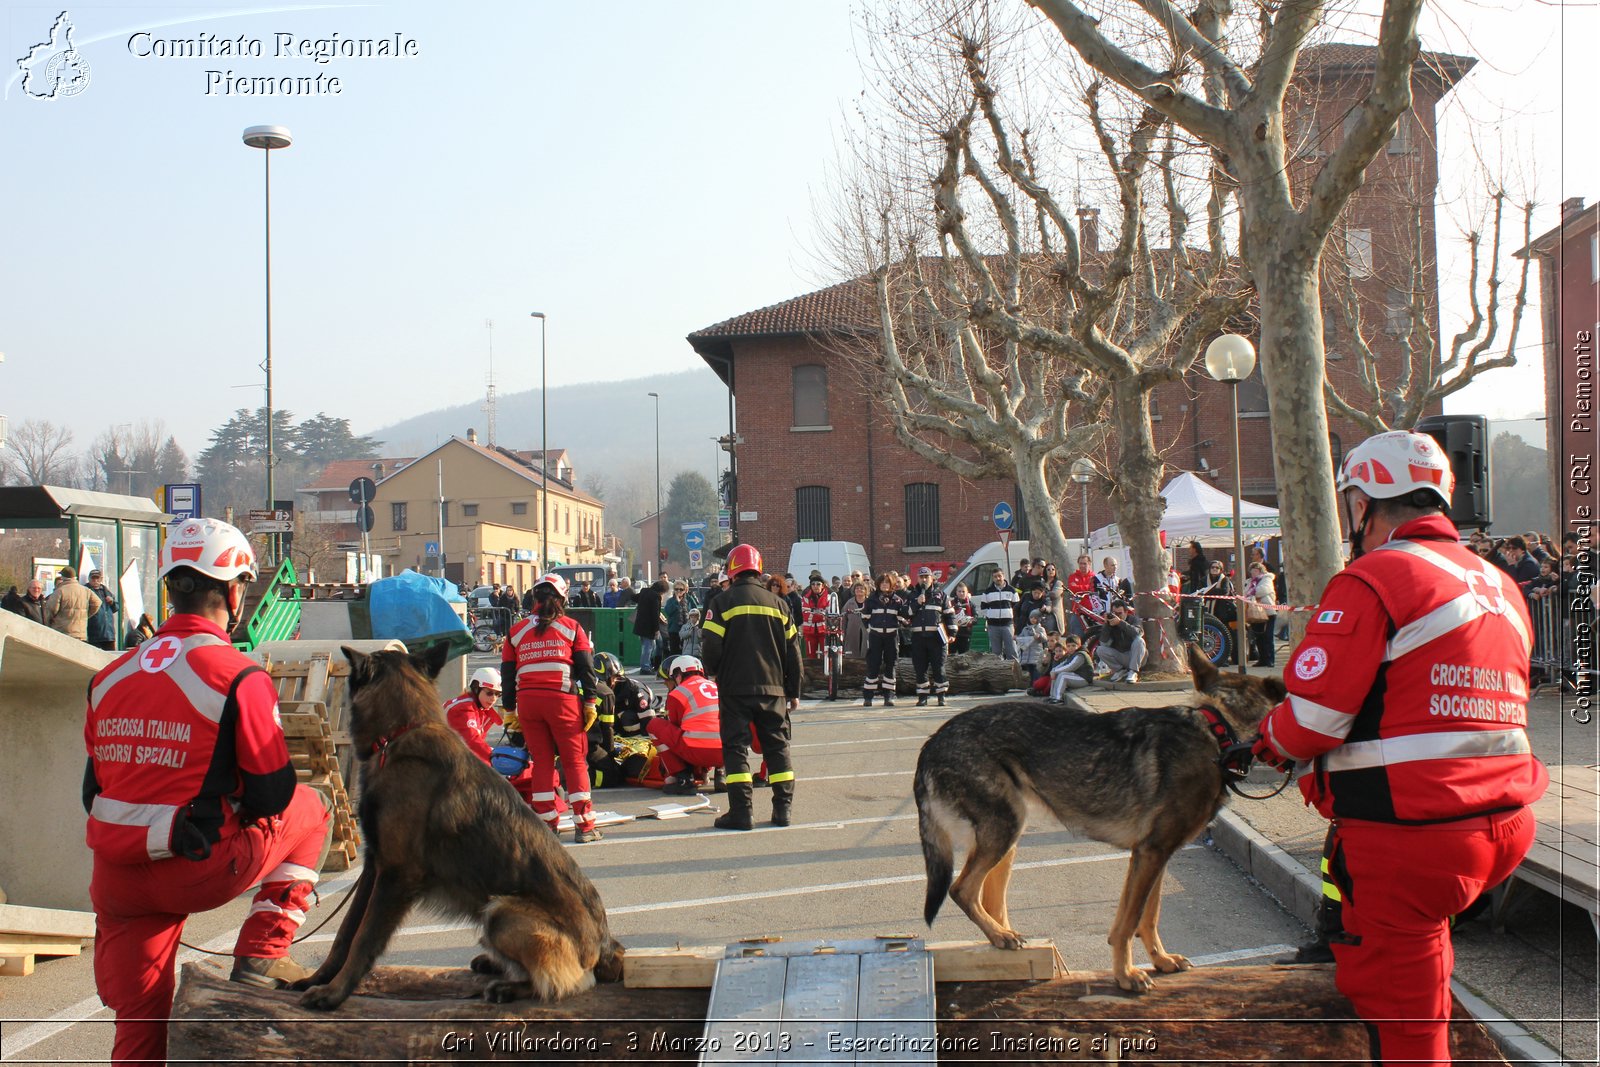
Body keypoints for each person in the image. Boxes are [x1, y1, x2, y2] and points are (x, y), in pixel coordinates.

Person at [1251, 430, 1548, 1067]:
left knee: (1404, 1027)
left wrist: (1264, 740)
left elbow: (1313, 720)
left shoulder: (1377, 576)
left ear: (1363, 505)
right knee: (1423, 969)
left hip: (1412, 838)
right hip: (1502, 821)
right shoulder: (1500, 584)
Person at [83, 517, 331, 1065]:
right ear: (234, 589)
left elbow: (92, 791)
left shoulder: (110, 676)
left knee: (140, 1029)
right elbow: (272, 795)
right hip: (197, 865)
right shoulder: (238, 675)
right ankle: (263, 954)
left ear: (171, 587)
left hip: (118, 878)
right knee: (312, 808)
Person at [701, 543, 804, 830]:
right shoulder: (780, 604)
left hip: (735, 688)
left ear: (732, 571)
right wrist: (794, 690)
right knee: (777, 746)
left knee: (736, 749)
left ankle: (742, 813)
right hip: (774, 689)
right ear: (758, 569)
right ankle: (783, 811)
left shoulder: (721, 603)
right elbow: (794, 652)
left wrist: (714, 672)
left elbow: (710, 645)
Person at [501, 573, 605, 843]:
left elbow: (508, 675)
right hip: (562, 701)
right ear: (562, 598)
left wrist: (509, 710)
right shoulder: (572, 627)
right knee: (573, 761)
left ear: (534, 598)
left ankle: (547, 825)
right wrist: (591, 702)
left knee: (542, 764)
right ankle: (585, 826)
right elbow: (586, 668)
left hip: (528, 703)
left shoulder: (515, 631)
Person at [650, 656, 725, 796]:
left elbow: (674, 729)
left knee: (654, 725)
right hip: (728, 752)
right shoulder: (717, 687)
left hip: (697, 751)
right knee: (719, 727)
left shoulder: (678, 693)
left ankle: (683, 778)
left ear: (678, 674)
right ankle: (722, 773)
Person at [907, 566, 955, 707]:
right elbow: (906, 613)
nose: (924, 579)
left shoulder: (940, 595)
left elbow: (949, 614)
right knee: (920, 668)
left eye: (926, 576)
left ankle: (941, 696)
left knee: (938, 667)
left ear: (931, 578)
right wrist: (917, 602)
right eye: (921, 577)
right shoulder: (912, 595)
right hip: (918, 637)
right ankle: (923, 696)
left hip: (936, 638)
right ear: (918, 578)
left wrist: (952, 633)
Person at [861, 573, 907, 706]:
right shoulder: (871, 600)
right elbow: (864, 617)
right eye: (882, 583)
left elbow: (902, 617)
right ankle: (868, 697)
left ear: (892, 585)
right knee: (873, 665)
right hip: (876, 636)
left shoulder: (897, 600)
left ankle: (889, 696)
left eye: (887, 582)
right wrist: (870, 631)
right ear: (878, 585)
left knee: (890, 665)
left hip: (891, 637)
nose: (885, 585)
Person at [443, 667, 505, 765]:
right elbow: (472, 741)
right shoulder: (463, 709)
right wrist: (496, 757)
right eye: (489, 693)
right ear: (476, 689)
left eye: (498, 694)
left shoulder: (478, 708)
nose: (494, 698)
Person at [46, 565, 102, 642]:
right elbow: (97, 603)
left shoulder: (60, 591)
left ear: (63, 577)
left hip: (62, 631)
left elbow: (51, 609)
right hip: (81, 633)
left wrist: (50, 621)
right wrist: (85, 615)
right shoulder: (85, 590)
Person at [1094, 600, 1146, 683]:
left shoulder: (1134, 619)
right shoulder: (1110, 624)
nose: (1116, 616)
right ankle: (1120, 671)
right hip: (1121, 656)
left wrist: (1120, 623)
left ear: (1126, 612)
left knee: (1139, 641)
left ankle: (1133, 672)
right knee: (1100, 649)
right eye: (1114, 613)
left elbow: (1138, 633)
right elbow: (1104, 642)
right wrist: (1107, 625)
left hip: (1136, 656)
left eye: (1119, 613)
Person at [978, 570, 1019, 661]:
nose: (998, 578)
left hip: (1008, 625)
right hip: (993, 626)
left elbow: (1017, 608)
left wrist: (1014, 621)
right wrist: (990, 616)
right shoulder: (987, 592)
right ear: (993, 578)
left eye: (999, 576)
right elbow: (983, 608)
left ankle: (1014, 671)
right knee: (995, 653)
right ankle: (997, 672)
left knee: (1012, 650)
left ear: (1003, 576)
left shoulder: (1012, 590)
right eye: (995, 577)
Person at [1243, 561, 1277, 667]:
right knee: (1258, 637)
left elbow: (1262, 590)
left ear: (1260, 570)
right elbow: (1244, 593)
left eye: (1256, 571)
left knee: (1268, 636)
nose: (1253, 573)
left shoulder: (1267, 579)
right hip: (1254, 613)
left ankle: (1270, 659)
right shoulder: (1249, 582)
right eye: (1252, 571)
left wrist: (1251, 593)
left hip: (1268, 612)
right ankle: (1262, 659)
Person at [633, 578, 667, 674]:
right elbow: (655, 614)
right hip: (650, 627)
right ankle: (645, 667)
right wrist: (656, 629)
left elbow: (634, 597)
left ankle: (650, 665)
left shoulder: (644, 591)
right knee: (649, 647)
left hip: (640, 624)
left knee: (650, 645)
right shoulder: (656, 597)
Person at [1048, 632, 1095, 700]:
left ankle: (1058, 698)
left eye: (1073, 645)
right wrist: (1054, 670)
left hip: (1084, 679)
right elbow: (1064, 664)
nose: (1071, 648)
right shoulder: (1072, 655)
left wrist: (1055, 671)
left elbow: (1071, 667)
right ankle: (1052, 696)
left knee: (1063, 675)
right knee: (1056, 673)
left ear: (1079, 645)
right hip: (1077, 676)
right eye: (1068, 646)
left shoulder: (1080, 655)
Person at [799, 572, 834, 658]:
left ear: (823, 586)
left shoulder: (829, 597)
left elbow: (830, 615)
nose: (815, 586)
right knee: (810, 655)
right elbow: (805, 614)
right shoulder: (806, 597)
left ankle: (825, 671)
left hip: (824, 630)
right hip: (809, 631)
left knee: (825, 655)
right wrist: (820, 613)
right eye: (813, 584)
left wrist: (813, 613)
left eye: (818, 584)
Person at [84, 569, 120, 651]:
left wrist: (112, 602)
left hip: (108, 633)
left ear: (101, 579)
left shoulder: (106, 591)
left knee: (110, 658)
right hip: (93, 633)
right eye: (93, 578)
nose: (95, 581)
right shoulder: (86, 590)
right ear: (89, 579)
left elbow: (116, 608)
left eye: (98, 578)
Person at [841, 580, 870, 659]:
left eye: (861, 588)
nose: (859, 590)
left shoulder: (870, 602)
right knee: (852, 650)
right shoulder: (849, 602)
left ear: (866, 591)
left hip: (867, 630)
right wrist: (843, 631)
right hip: (852, 630)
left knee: (866, 648)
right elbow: (843, 618)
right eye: (857, 588)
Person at [948, 581, 976, 654]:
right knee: (951, 655)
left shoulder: (971, 605)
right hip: (953, 634)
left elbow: (975, 618)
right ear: (956, 592)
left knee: (964, 656)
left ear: (967, 592)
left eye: (963, 591)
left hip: (965, 634)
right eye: (959, 591)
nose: (961, 593)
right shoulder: (951, 603)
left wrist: (970, 620)